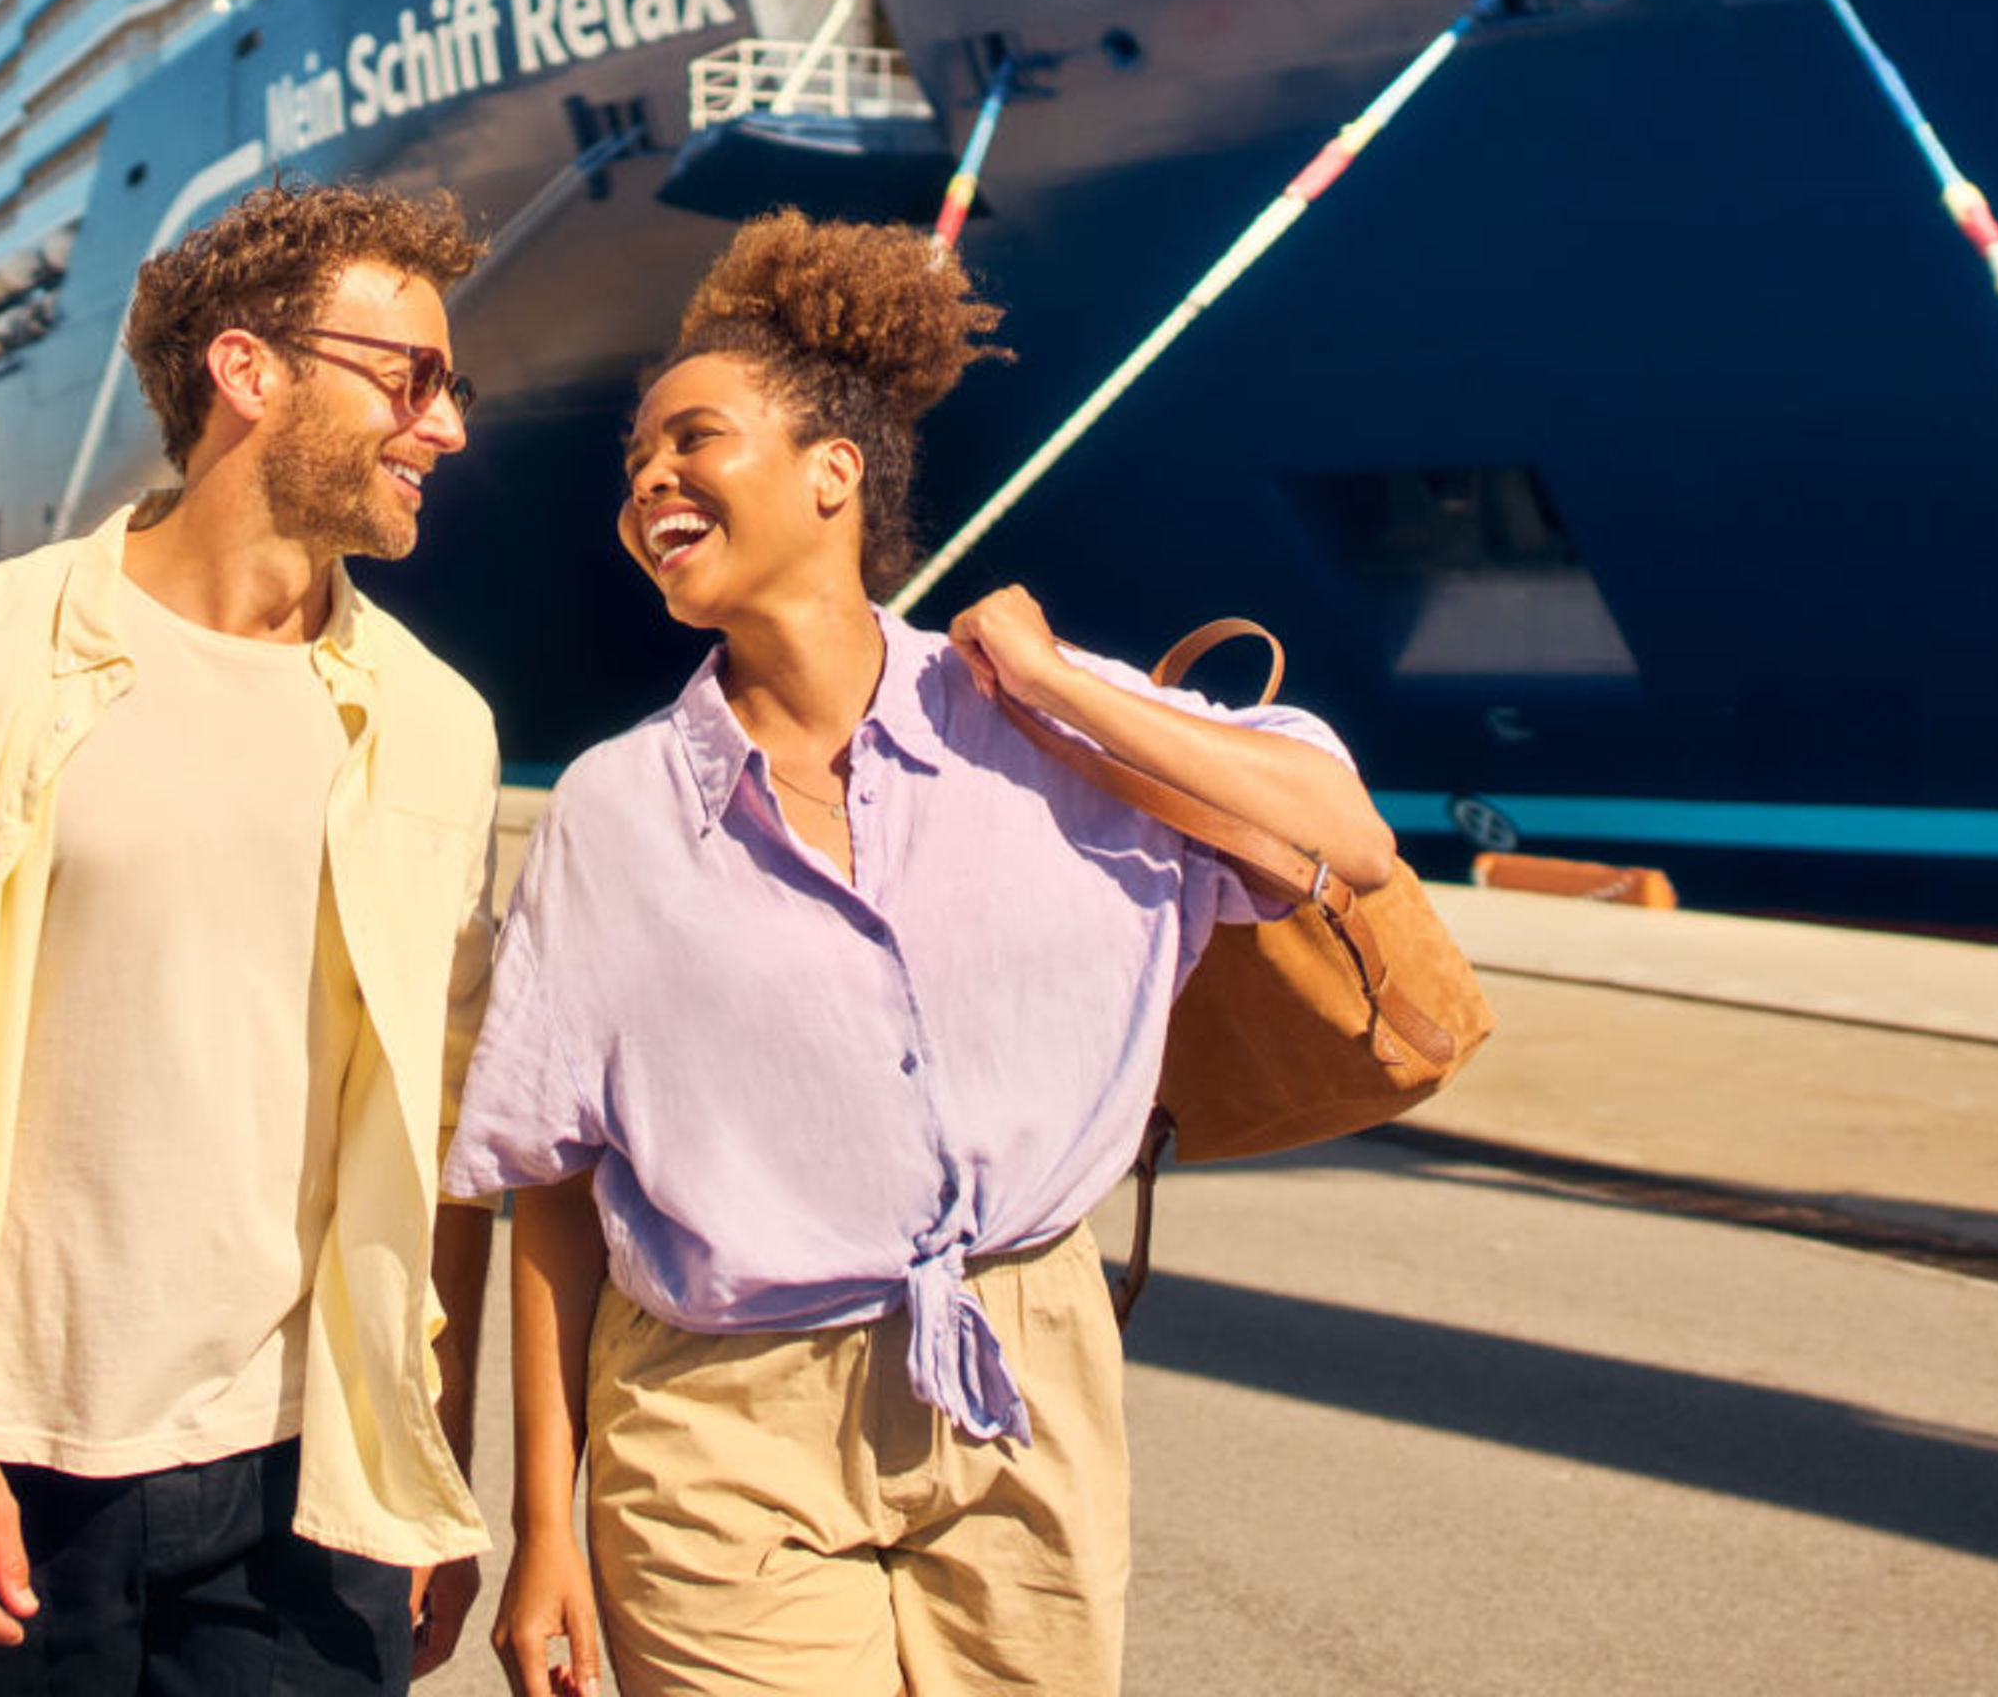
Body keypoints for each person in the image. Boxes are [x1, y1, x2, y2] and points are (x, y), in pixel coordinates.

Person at [450, 212, 1399, 1697]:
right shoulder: (613, 811)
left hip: (1025, 1372)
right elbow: (555, 1182)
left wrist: (1058, 686)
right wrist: (542, 1527)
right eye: (635, 462)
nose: (648, 481)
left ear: (833, 472)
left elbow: (1349, 836)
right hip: (718, 1417)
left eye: (695, 440)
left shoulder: (1032, 718)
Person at [0, 178, 507, 1693]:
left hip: (314, 1470)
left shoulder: (437, 724)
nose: (446, 428)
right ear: (249, 371)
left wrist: (433, 1456)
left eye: (454, 388)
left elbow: (446, 1122)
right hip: (19, 1457)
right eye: (413, 378)